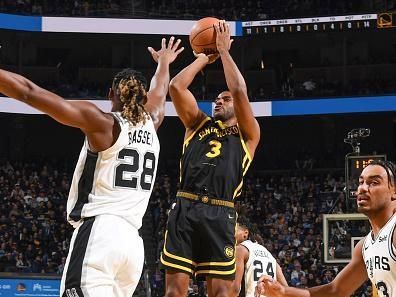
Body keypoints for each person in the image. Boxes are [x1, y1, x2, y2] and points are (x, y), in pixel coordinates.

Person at [0, 37, 183, 297]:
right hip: (133, 243)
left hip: (101, 232)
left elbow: (29, 92)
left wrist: (163, 64)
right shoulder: (153, 121)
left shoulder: (104, 124)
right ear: (142, 97)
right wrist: (164, 62)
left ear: (110, 94)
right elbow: (160, 89)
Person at [160, 21, 261, 297]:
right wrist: (205, 57)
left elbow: (239, 90)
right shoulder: (196, 124)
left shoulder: (248, 135)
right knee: (173, 292)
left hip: (221, 211)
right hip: (186, 206)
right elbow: (177, 86)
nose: (219, 101)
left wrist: (224, 51)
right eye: (217, 98)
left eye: (224, 99)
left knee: (221, 294)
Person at [255, 160, 396, 297]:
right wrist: (283, 292)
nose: (363, 188)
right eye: (361, 182)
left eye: (374, 183)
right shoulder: (364, 246)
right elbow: (336, 291)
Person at [232, 216, 288, 297]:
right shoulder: (268, 253)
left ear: (245, 233)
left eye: (233, 230)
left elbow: (235, 289)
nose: (229, 234)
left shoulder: (240, 249)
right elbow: (285, 288)